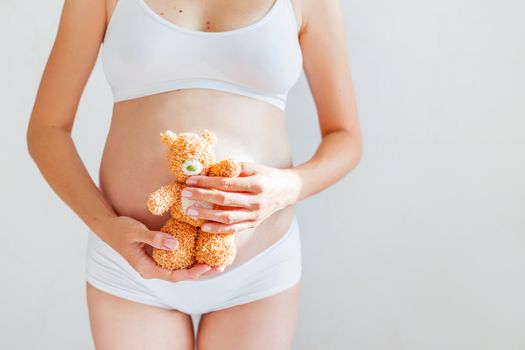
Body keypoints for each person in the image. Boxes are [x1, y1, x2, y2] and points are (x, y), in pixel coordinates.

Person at [26, 0, 362, 348]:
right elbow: (47, 130)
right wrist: (105, 226)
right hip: (129, 268)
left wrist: (289, 187)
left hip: (257, 270)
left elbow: (345, 136)